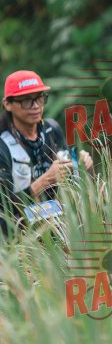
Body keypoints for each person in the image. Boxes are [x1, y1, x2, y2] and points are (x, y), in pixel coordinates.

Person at [0, 70, 93, 234]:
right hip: (18, 234)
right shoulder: (3, 146)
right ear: (7, 104)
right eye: (26, 101)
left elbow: (70, 176)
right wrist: (45, 180)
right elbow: (4, 207)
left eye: (40, 98)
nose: (36, 106)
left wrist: (81, 164)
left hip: (57, 223)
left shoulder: (51, 129)